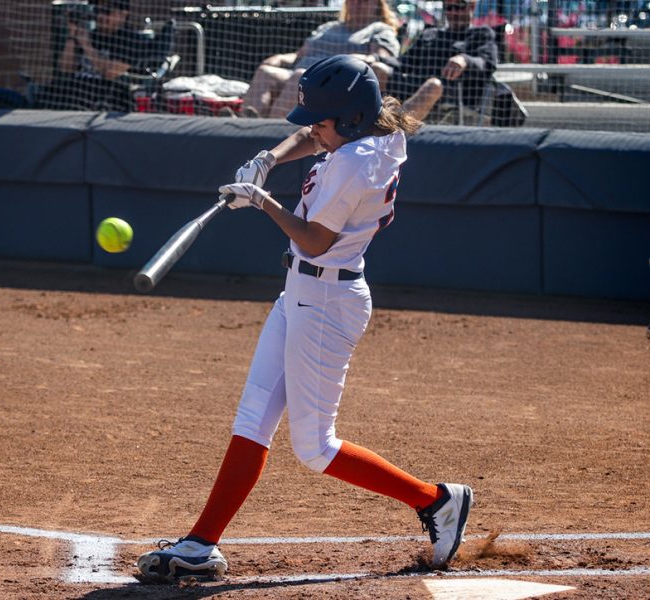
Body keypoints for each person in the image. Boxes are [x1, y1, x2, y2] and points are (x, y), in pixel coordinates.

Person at [136, 55, 473, 583]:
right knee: (252, 420)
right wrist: (268, 157)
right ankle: (202, 543)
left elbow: (315, 240)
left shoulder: (355, 165)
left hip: (327, 302)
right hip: (302, 292)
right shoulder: (375, 131)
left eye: (321, 122)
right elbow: (317, 139)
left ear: (352, 121)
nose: (314, 131)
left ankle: (436, 501)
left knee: (316, 448)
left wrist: (261, 200)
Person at [241, 0, 401, 119]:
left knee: (300, 76)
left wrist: (348, 59)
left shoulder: (380, 29)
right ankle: (246, 123)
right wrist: (280, 58)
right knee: (266, 72)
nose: (357, 4)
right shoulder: (329, 26)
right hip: (303, 73)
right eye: (353, 0)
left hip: (335, 82)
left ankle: (270, 129)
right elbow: (300, 55)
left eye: (363, 1)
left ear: (377, 5)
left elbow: (382, 59)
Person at [372, 0, 498, 121]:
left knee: (433, 85)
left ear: (472, 6)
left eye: (459, 6)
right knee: (377, 69)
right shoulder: (430, 34)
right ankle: (367, 124)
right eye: (449, 8)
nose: (454, 12)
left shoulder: (482, 34)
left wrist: (465, 60)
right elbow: (403, 63)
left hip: (452, 93)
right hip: (413, 86)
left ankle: (395, 130)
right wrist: (374, 58)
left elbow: (487, 63)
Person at [47, 0, 150, 111]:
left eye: (107, 12)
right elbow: (66, 68)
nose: (100, 16)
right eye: (97, 11)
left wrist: (86, 46)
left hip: (108, 98)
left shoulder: (131, 40)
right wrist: (73, 36)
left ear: (122, 14)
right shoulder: (91, 35)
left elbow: (110, 72)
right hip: (76, 94)